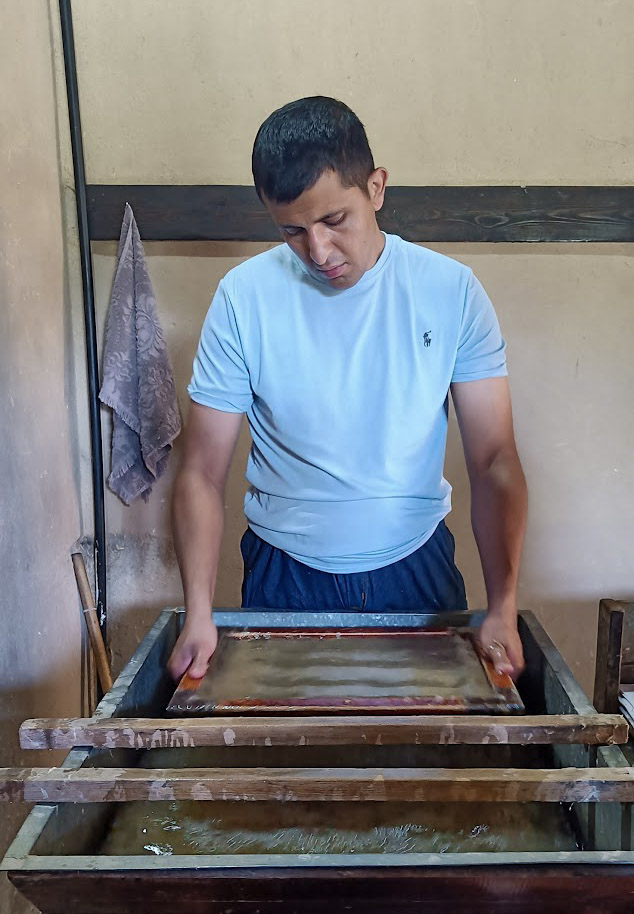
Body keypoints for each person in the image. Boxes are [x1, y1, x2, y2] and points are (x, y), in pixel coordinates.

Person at [167, 96, 527, 682]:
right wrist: (200, 613)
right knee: (293, 765)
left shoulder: (450, 291)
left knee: (425, 765)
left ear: (376, 188)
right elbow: (201, 471)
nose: (319, 252)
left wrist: (503, 604)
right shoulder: (243, 298)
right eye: (293, 231)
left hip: (417, 568)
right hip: (284, 574)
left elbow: (494, 460)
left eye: (335, 221)